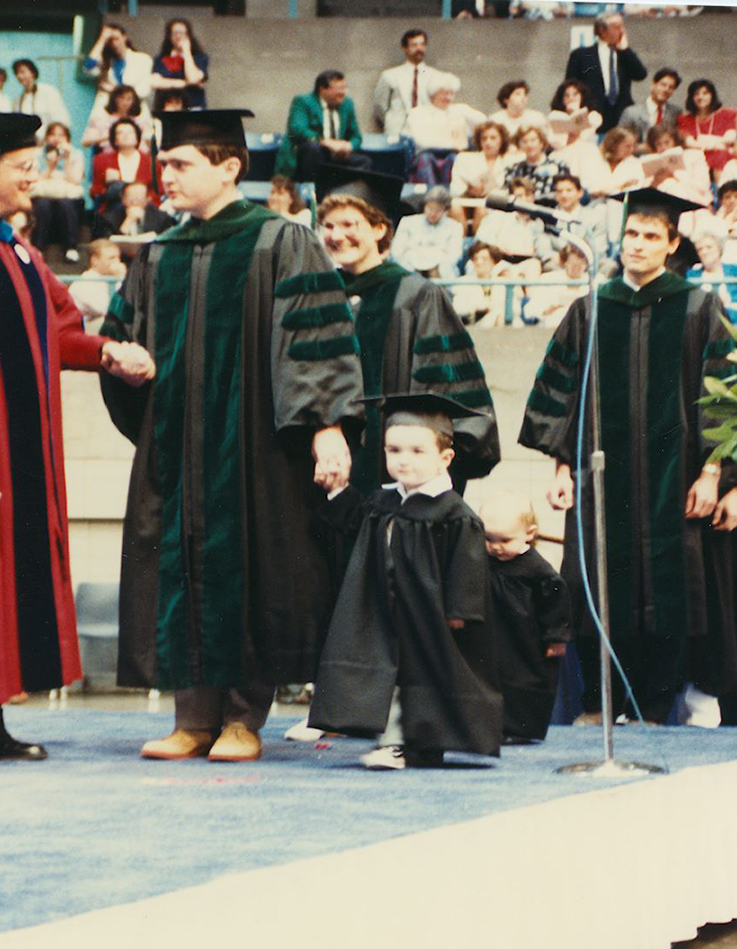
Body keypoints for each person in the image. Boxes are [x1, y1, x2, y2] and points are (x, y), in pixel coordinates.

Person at [99, 109, 364, 763]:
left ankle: (244, 717)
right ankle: (192, 717)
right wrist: (124, 368)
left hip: (256, 449)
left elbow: (318, 340)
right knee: (181, 569)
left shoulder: (283, 241)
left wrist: (327, 426)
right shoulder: (159, 252)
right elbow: (121, 337)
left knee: (253, 571)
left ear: (229, 167)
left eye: (183, 165)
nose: (169, 177)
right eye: (165, 166)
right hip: (178, 447)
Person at [518, 188, 737, 725]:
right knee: (598, 580)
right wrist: (561, 467)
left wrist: (715, 473)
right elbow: (560, 392)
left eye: (650, 236)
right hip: (602, 481)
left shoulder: (699, 308)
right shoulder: (591, 309)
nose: (637, 245)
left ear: (671, 244)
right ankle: (600, 704)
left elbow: (728, 396)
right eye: (631, 234)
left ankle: (657, 704)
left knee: (671, 588)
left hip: (679, 479)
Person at [0, 112, 153, 764]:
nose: (32, 176)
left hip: (17, 454)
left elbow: (59, 333)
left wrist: (109, 353)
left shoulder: (18, 252)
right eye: (21, 165)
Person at [308, 394, 502, 770]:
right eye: (394, 449)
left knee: (423, 683)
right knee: (392, 682)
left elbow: (468, 565)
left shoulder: (454, 513)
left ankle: (415, 746)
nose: (403, 459)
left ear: (445, 458)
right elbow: (353, 524)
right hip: (385, 611)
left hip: (430, 617)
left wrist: (459, 609)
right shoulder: (385, 500)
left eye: (417, 450)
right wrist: (336, 490)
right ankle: (394, 742)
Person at [316, 164, 500, 495]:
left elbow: (445, 389)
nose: (336, 235)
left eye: (349, 224)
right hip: (329, 469)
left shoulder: (416, 296)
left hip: (395, 471)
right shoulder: (318, 296)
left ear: (378, 229)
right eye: (328, 225)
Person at [479, 494, 571, 743]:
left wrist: (556, 637)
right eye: (488, 539)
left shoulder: (539, 571)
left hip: (526, 639)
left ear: (529, 533)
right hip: (494, 635)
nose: (496, 547)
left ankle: (519, 729)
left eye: (505, 540)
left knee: (524, 683)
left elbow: (556, 604)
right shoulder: (483, 562)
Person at [275, 70, 369, 183]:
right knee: (313, 148)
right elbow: (297, 130)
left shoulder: (347, 104)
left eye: (345, 88)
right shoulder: (303, 101)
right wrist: (326, 142)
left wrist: (348, 146)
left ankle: (340, 193)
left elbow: (357, 136)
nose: (344, 92)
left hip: (336, 156)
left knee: (364, 162)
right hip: (309, 157)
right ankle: (313, 192)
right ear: (323, 89)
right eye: (339, 88)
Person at [564, 13, 647, 135]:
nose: (622, 31)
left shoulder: (624, 54)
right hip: (593, 116)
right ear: (602, 30)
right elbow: (570, 85)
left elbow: (640, 74)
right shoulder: (582, 55)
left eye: (623, 26)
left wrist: (625, 50)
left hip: (621, 116)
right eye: (617, 27)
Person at [403, 71, 485, 186]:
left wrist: (463, 111)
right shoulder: (418, 113)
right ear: (433, 94)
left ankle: (451, 197)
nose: (449, 97)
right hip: (427, 156)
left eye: (451, 94)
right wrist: (452, 144)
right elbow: (422, 142)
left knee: (456, 159)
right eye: (444, 93)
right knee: (426, 159)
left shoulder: (459, 110)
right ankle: (431, 198)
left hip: (452, 156)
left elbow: (485, 123)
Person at [30, 122, 85, 263]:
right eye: (53, 134)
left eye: (61, 135)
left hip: (67, 195)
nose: (56, 138)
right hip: (44, 194)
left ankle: (71, 248)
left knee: (66, 205)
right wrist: (50, 166)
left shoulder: (76, 154)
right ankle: (38, 248)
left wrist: (66, 160)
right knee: (42, 206)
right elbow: (35, 180)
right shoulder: (37, 153)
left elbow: (75, 180)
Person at [373, 28, 440, 138]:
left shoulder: (434, 75)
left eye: (422, 44)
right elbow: (380, 106)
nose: (419, 48)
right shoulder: (390, 75)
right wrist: (392, 121)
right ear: (404, 48)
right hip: (397, 132)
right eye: (414, 45)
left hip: (427, 132)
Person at [546, 79, 609, 196]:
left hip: (586, 150)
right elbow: (558, 144)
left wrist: (575, 114)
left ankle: (589, 191)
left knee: (585, 152)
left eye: (575, 94)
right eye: (567, 95)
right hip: (563, 153)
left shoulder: (593, 116)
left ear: (582, 96)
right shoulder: (555, 117)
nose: (571, 98)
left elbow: (584, 136)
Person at [449, 120, 512, 234]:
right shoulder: (464, 158)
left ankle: (478, 246)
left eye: (493, 138)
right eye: (484, 138)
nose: (488, 142)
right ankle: (460, 245)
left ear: (502, 140)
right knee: (454, 208)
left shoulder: (510, 161)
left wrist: (485, 192)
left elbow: (508, 191)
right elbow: (455, 188)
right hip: (466, 201)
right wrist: (469, 190)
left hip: (492, 204)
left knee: (482, 209)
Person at [90, 118, 157, 225]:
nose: (126, 135)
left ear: (137, 137)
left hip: (145, 208)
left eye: (130, 132)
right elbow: (95, 192)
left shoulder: (151, 161)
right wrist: (109, 184)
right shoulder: (101, 160)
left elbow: (157, 191)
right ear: (114, 139)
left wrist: (141, 203)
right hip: (114, 210)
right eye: (120, 133)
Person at [389, 184, 464, 279]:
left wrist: (434, 262)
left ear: (445, 210)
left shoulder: (455, 227)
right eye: (430, 208)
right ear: (424, 206)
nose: (433, 213)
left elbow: (454, 255)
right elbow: (397, 252)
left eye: (438, 210)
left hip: (440, 270)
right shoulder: (407, 222)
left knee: (445, 268)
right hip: (410, 267)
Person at [83, 21, 153, 114]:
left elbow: (144, 90)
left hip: (134, 109)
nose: (114, 43)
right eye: (110, 40)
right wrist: (102, 39)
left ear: (124, 37)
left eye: (116, 38)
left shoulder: (142, 59)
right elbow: (88, 68)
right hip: (108, 109)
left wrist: (115, 90)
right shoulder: (104, 61)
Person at [676, 79, 737, 181]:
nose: (701, 97)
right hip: (697, 160)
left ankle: (721, 190)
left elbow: (730, 138)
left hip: (722, 161)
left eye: (705, 93)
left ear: (712, 95)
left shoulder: (727, 114)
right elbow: (689, 143)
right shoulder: (684, 119)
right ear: (691, 98)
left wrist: (704, 140)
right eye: (696, 94)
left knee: (720, 153)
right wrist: (717, 144)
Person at [643, 123, 712, 210]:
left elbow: (703, 187)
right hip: (662, 206)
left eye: (667, 142)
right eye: (659, 144)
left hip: (694, 203)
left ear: (675, 140)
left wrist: (675, 174)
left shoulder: (695, 155)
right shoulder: (653, 161)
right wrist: (655, 182)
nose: (664, 147)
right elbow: (646, 194)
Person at [522, 243, 589, 329]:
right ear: (565, 262)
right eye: (573, 264)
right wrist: (548, 310)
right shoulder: (549, 278)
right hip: (552, 328)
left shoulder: (596, 281)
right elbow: (529, 310)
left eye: (580, 265)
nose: (576, 268)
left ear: (586, 264)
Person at [69, 239, 126, 333]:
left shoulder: (110, 281)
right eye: (111, 258)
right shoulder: (83, 284)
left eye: (118, 258)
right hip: (85, 335)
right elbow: (110, 311)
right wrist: (122, 278)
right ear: (95, 260)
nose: (118, 262)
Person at [151, 18, 209, 111]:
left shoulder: (200, 58)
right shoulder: (160, 59)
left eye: (181, 33)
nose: (178, 36)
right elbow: (155, 83)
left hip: (193, 106)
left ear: (188, 36)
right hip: (166, 107)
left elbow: (193, 79)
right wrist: (185, 83)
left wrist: (186, 52)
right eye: (174, 33)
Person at [504, 125, 569, 205]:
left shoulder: (559, 166)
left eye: (533, 140)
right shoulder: (513, 169)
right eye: (524, 141)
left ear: (541, 143)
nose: (529, 145)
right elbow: (508, 196)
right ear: (519, 146)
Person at [619, 67, 683, 146]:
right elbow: (620, 142)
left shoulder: (675, 112)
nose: (666, 89)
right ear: (653, 85)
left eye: (671, 87)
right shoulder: (631, 112)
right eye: (663, 85)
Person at [81, 84, 154, 153]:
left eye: (129, 99)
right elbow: (85, 142)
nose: (125, 102)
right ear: (115, 99)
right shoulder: (102, 119)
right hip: (109, 156)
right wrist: (110, 137)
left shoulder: (140, 121)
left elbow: (149, 140)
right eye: (122, 98)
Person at [11, 58, 70, 134]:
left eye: (22, 72)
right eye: (17, 73)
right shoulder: (17, 100)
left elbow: (61, 119)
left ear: (33, 73)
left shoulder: (49, 92)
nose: (19, 76)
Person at [489, 80, 548, 154]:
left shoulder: (537, 118)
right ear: (506, 100)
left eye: (525, 94)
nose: (523, 97)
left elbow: (544, 144)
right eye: (518, 94)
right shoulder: (495, 120)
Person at [101, 180, 174, 238]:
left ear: (148, 199)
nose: (135, 201)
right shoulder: (109, 219)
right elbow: (107, 246)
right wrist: (128, 221)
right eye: (131, 197)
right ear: (123, 199)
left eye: (139, 197)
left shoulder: (162, 218)